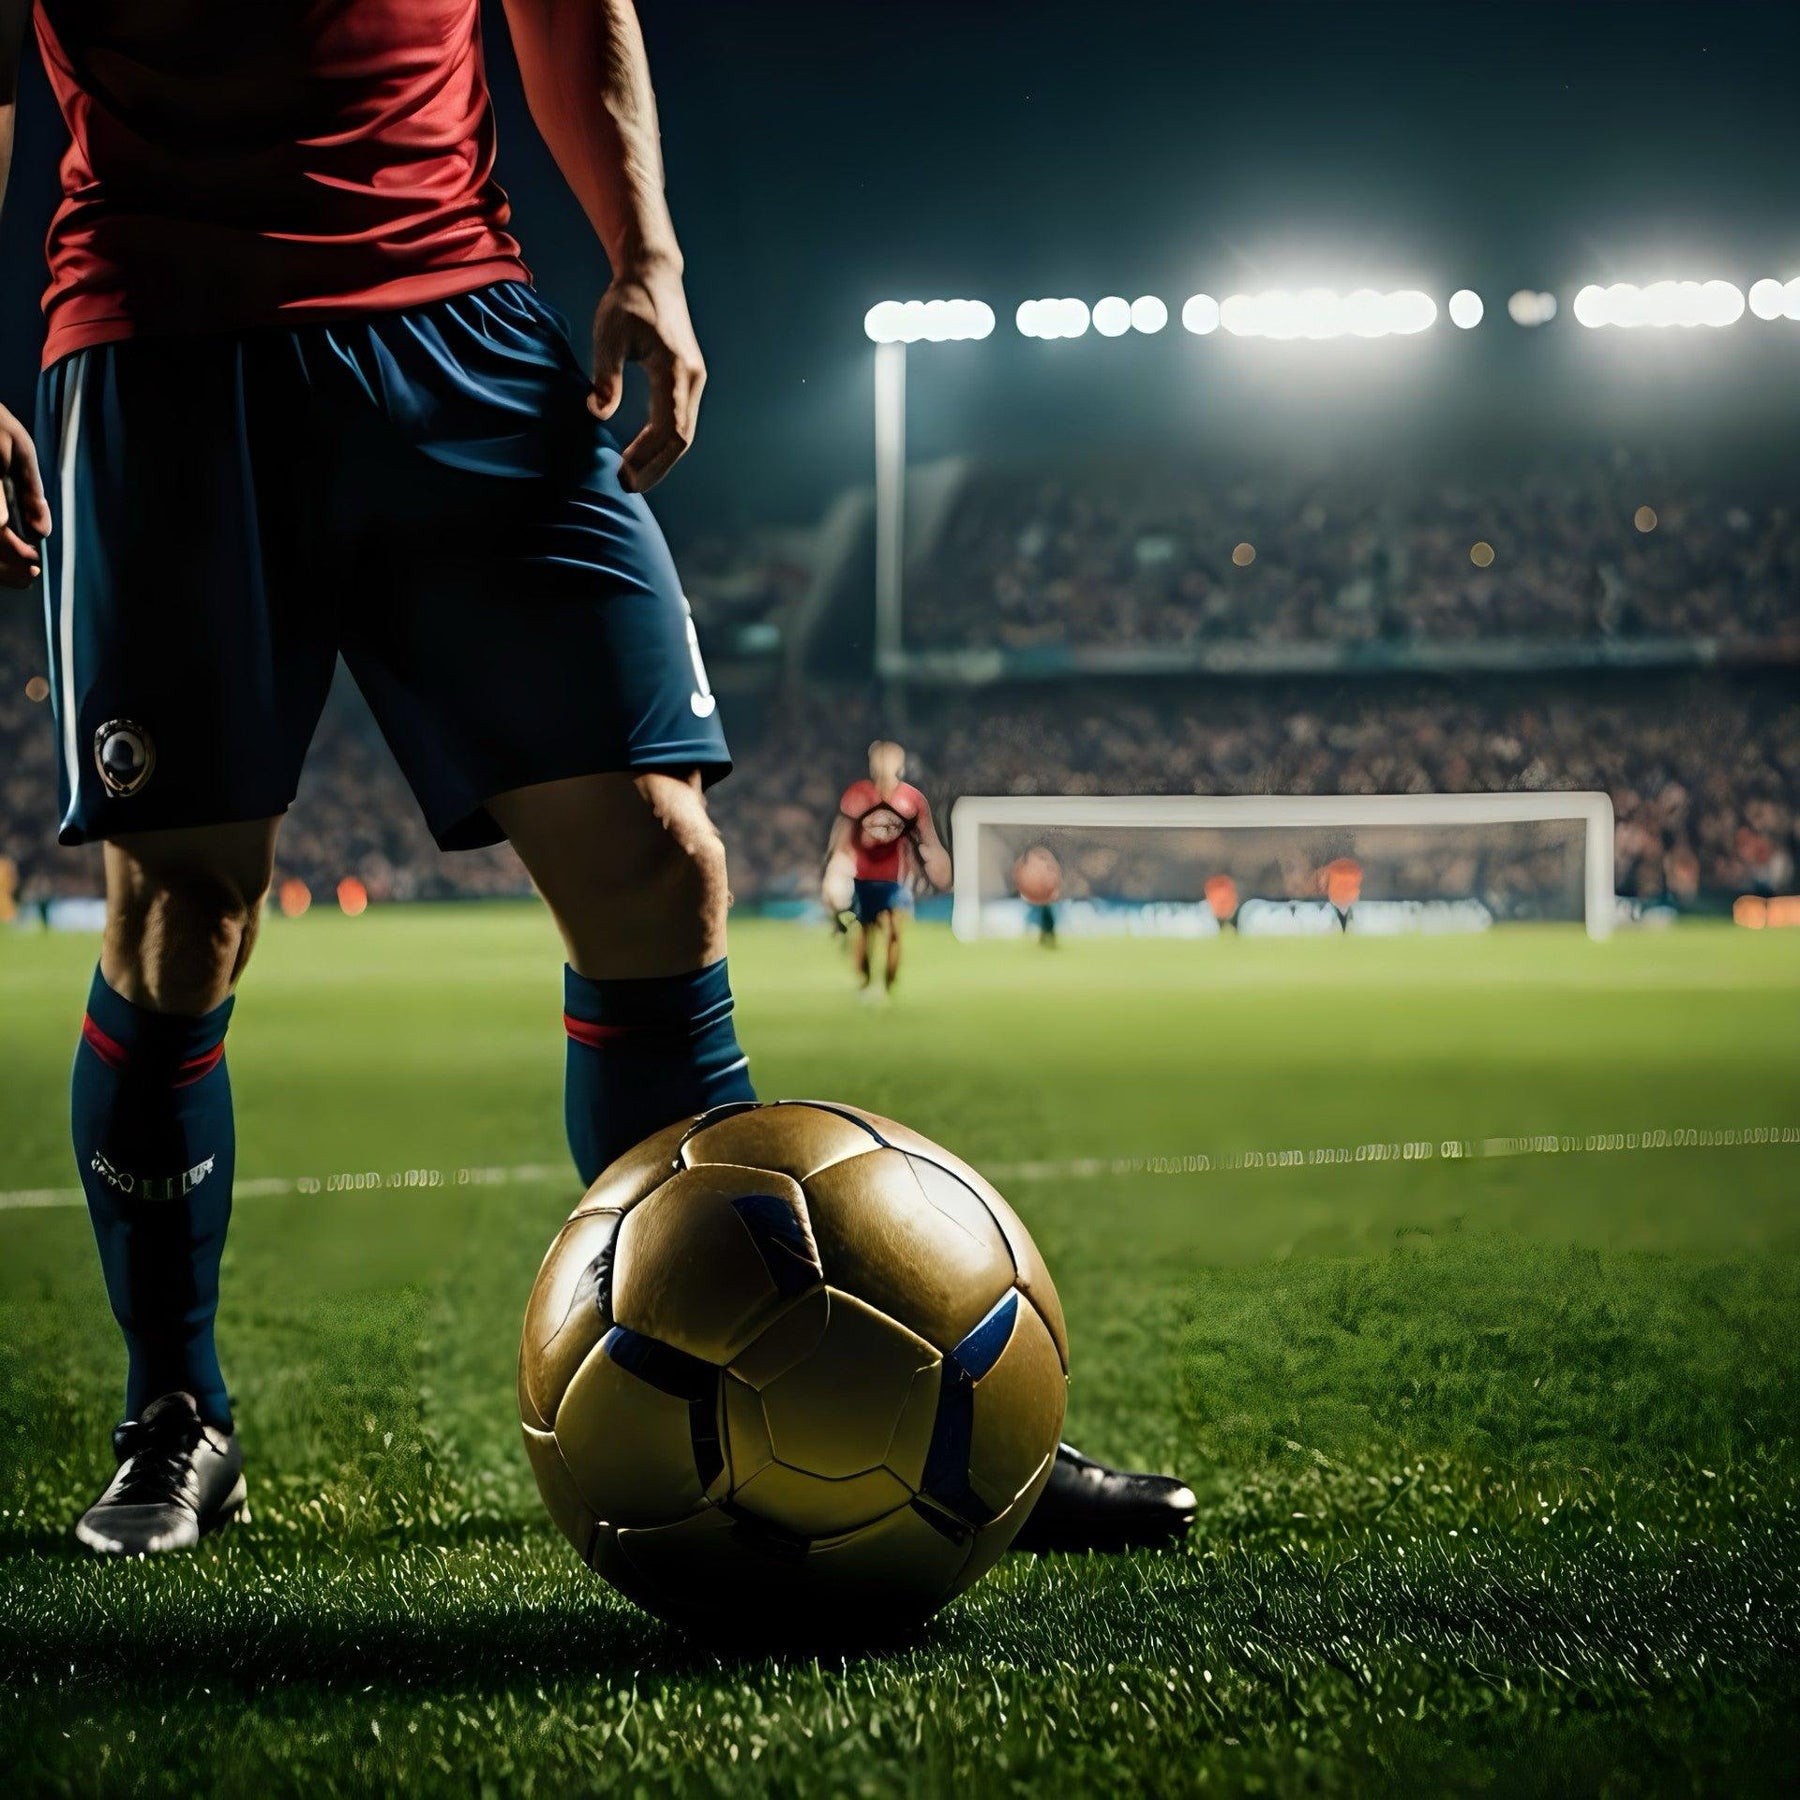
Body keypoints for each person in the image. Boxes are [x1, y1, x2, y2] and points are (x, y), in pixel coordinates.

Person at [0, 0, 1191, 1560]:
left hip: (458, 326)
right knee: (183, 908)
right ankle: (176, 1414)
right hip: (160, 344)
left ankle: (855, 1403)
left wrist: (648, 256)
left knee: (655, 855)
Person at [824, 741, 947, 1001]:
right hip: (863, 877)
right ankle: (867, 981)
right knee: (865, 933)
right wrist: (836, 865)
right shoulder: (858, 795)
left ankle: (889, 985)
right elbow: (843, 835)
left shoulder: (912, 800)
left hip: (895, 879)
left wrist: (932, 863)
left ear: (899, 765)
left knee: (894, 930)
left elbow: (926, 838)